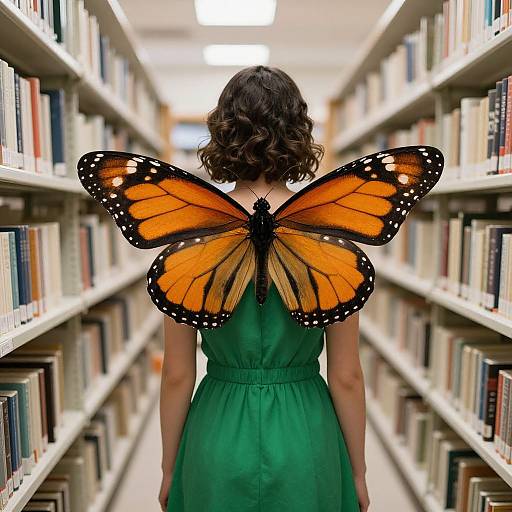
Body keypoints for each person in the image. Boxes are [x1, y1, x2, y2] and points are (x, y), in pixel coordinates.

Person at [158, 65, 369, 512]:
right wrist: (357, 471)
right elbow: (346, 376)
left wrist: (168, 467)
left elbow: (177, 373)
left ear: (221, 135)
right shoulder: (329, 240)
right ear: (299, 136)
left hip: (216, 431)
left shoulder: (191, 240)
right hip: (305, 432)